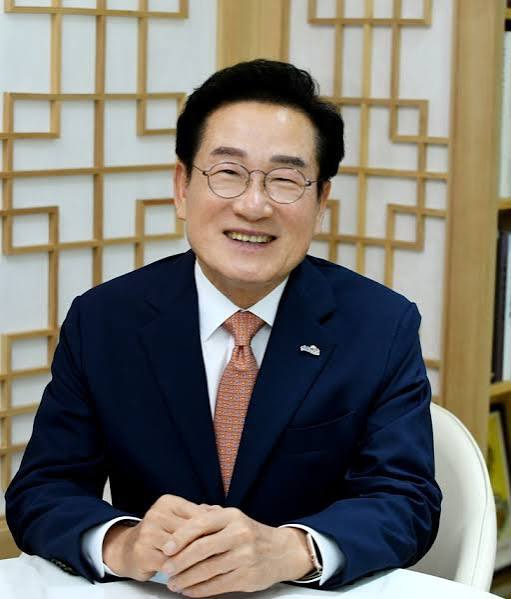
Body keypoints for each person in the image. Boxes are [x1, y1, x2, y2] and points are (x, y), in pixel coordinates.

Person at [5, 59, 441, 596]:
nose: (253, 205)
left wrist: (290, 549)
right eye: (228, 173)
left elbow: (406, 500)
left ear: (321, 202)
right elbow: (43, 490)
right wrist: (123, 542)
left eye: (285, 180)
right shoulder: (104, 320)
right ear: (181, 187)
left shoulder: (380, 324)